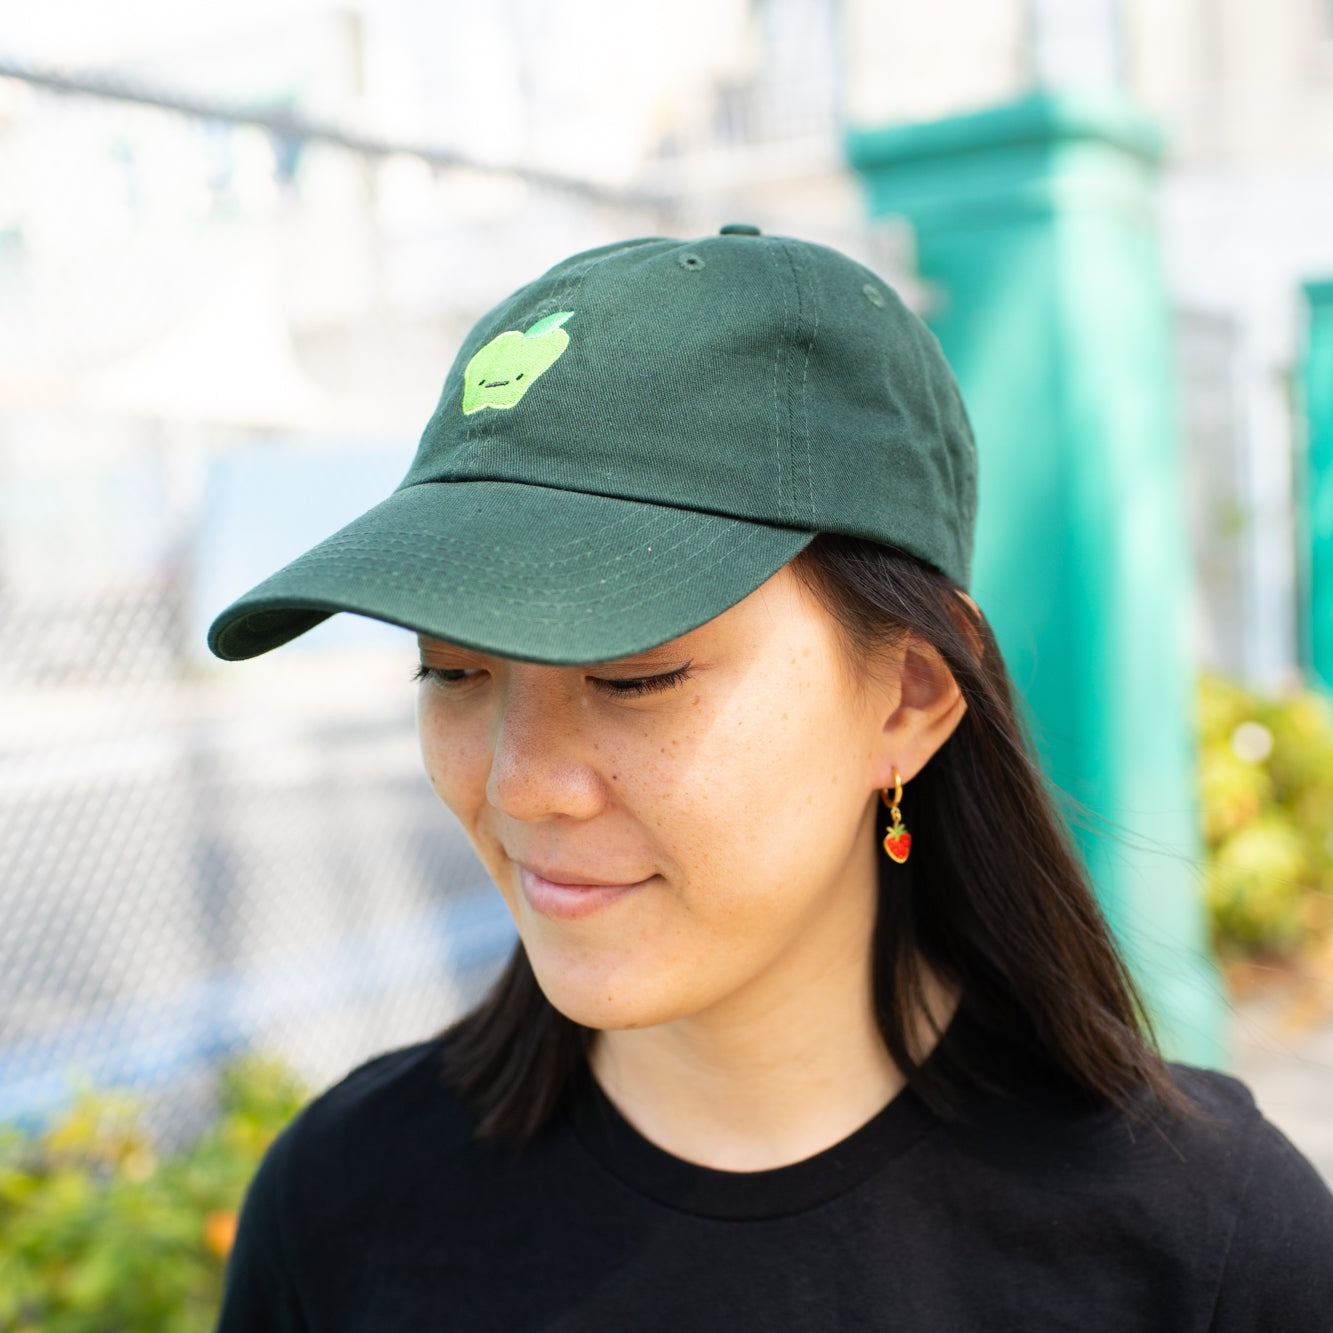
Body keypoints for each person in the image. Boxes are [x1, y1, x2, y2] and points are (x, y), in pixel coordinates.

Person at [208, 226, 1333, 1331]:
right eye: (450, 669)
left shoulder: (1216, 1253)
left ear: (908, 699)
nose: (521, 785)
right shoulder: (339, 1209)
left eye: (633, 676)